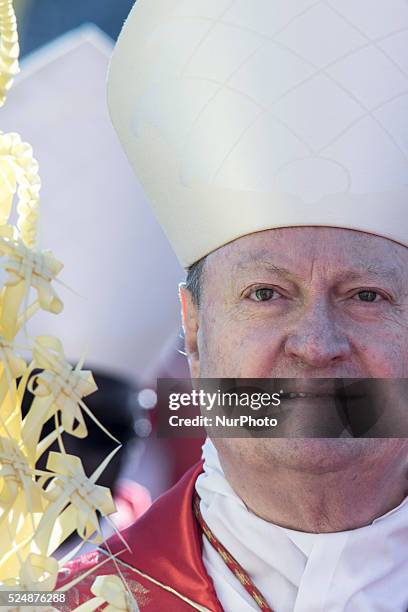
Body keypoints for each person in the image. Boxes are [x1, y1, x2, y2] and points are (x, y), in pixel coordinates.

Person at [57, 1, 408, 610]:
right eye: (266, 294)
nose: (318, 344)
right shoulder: (70, 602)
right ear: (193, 330)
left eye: (366, 296)